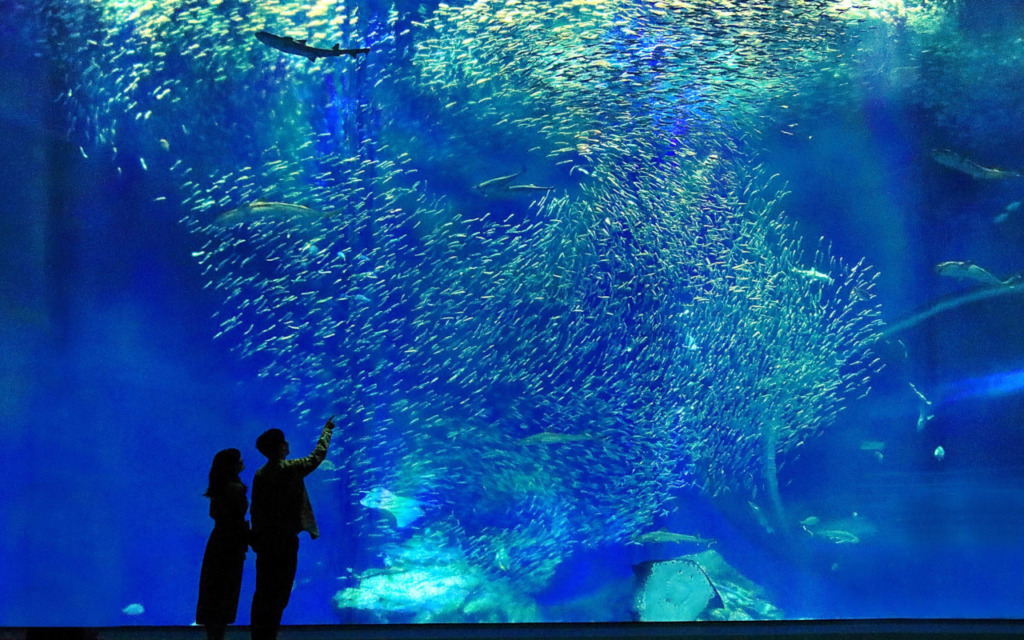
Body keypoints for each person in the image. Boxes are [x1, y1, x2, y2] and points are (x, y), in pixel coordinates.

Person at [249, 417, 335, 640]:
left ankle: (259, 635)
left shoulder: (260, 474)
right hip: (285, 541)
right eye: (284, 442)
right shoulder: (289, 469)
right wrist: (327, 431)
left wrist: (256, 538)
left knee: (263, 592)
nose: (288, 444)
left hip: (265, 543)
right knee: (280, 593)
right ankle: (269, 635)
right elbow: (317, 458)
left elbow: (255, 509)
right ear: (280, 447)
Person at [196, 448, 250, 640]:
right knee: (224, 597)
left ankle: (214, 637)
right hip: (230, 547)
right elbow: (235, 520)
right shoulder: (235, 489)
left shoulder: (220, 487)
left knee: (214, 597)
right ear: (231, 465)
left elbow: (217, 515)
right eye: (238, 458)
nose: (242, 460)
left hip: (218, 542)